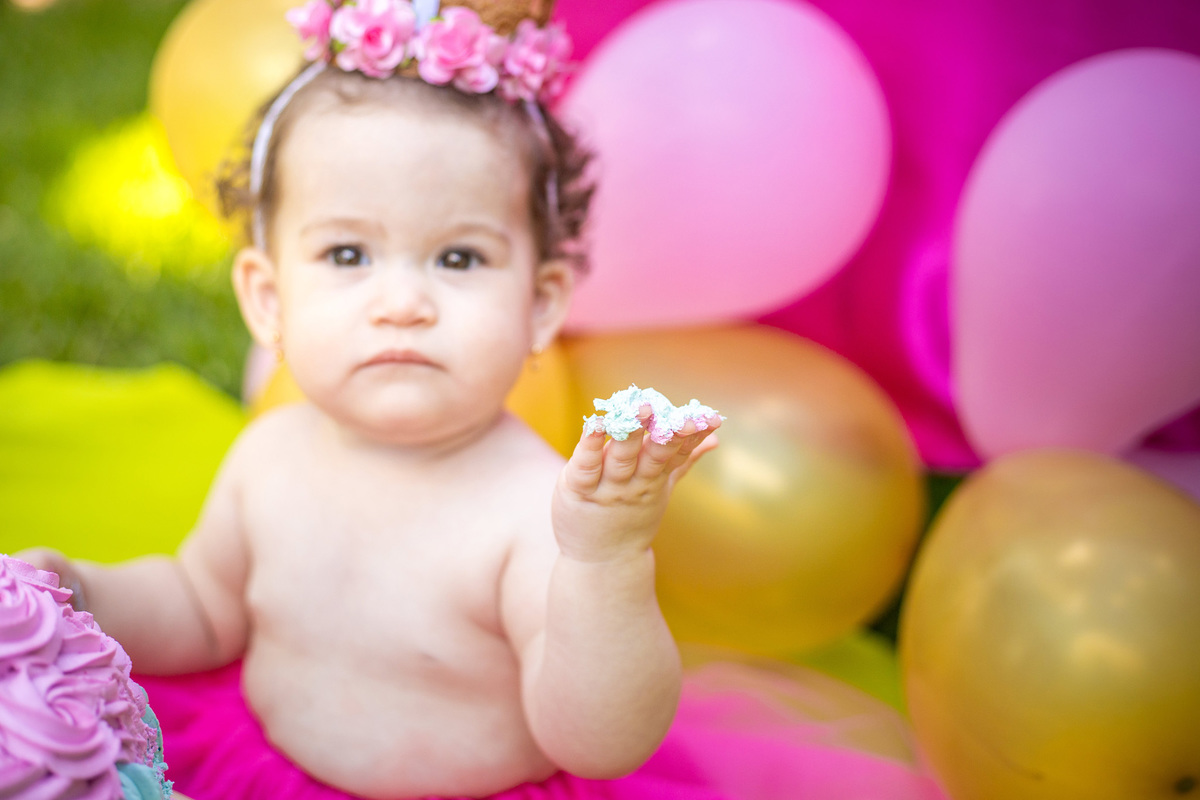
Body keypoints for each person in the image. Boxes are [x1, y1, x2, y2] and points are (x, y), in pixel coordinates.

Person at [20, 1, 727, 798]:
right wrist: (80, 595)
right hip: (253, 770)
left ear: (539, 303)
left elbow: (599, 743)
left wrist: (604, 559)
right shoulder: (271, 452)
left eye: (458, 257)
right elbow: (202, 607)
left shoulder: (537, 512)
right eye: (348, 253)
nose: (402, 302)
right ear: (267, 297)